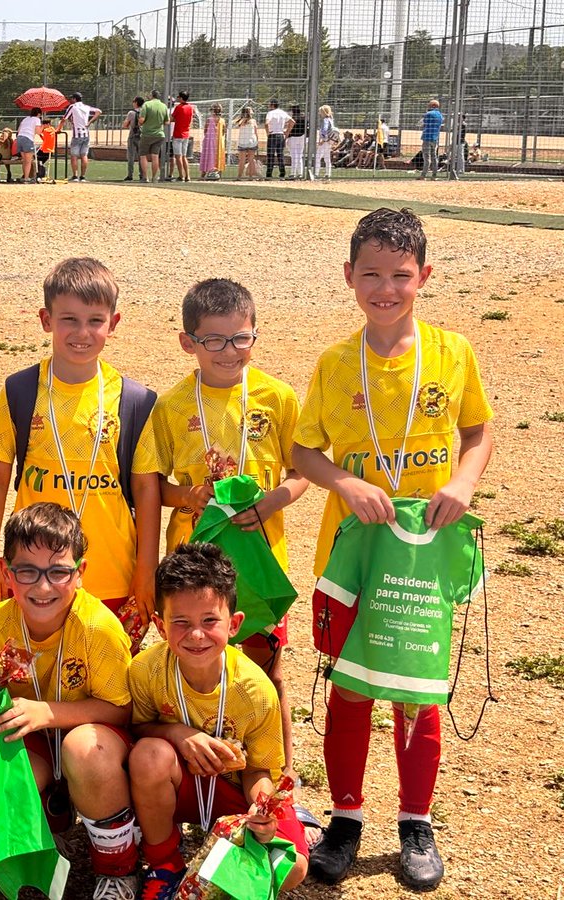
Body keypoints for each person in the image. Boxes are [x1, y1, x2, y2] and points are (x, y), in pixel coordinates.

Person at [292, 208, 493, 890]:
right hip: (354, 553)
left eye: (400, 276)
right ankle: (345, 817)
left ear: (424, 277)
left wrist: (465, 481)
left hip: (422, 554)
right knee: (349, 692)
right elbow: (302, 450)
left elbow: (478, 433)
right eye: (371, 274)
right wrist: (345, 481)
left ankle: (416, 820)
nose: (386, 288)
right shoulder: (333, 363)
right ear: (349, 277)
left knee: (416, 693)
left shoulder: (453, 353)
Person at [0, 503, 138, 900]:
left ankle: (117, 868)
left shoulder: (100, 629)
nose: (42, 587)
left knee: (85, 749)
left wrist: (49, 713)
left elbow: (122, 710)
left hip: (92, 738)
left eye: (59, 572)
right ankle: (12, 857)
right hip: (33, 740)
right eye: (27, 571)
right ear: (6, 572)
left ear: (81, 573)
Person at [150, 277, 308, 780]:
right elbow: (153, 483)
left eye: (241, 338)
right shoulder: (172, 405)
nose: (228, 351)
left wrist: (272, 503)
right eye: (213, 340)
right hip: (194, 564)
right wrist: (189, 496)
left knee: (267, 671)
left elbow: (302, 470)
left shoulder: (277, 398)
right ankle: (200, 775)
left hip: (260, 562)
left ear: (255, 337)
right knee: (197, 666)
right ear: (187, 342)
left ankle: (277, 781)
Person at [0, 257, 161, 629]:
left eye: (95, 320)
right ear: (46, 320)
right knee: (32, 675)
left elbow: (145, 489)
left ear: (114, 323)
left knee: (108, 682)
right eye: (69, 320)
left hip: (113, 573)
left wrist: (146, 571)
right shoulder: (20, 390)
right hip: (35, 572)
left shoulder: (135, 400)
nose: (82, 332)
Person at [128, 543, 309, 898]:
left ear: (235, 624)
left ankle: (232, 864)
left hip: (236, 795)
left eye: (210, 621)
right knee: (148, 755)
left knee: (294, 869)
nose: (196, 634)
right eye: (180, 622)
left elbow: (259, 770)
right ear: (160, 626)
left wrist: (261, 809)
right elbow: (136, 727)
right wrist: (178, 734)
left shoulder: (256, 690)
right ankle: (165, 863)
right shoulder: (145, 669)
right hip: (179, 786)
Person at [60, 91, 102, 182]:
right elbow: (99, 111)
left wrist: (59, 129)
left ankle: (75, 176)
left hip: (77, 134)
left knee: (74, 155)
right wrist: (90, 122)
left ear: (74, 99)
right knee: (84, 155)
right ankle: (82, 176)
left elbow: (64, 118)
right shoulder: (86, 107)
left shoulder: (73, 106)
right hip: (86, 134)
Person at [138, 90, 169, 183]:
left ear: (151, 95)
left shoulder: (147, 105)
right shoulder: (164, 106)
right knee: (155, 156)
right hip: (159, 134)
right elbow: (167, 121)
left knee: (143, 155)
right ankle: (154, 177)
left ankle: (145, 177)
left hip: (147, 134)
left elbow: (142, 120)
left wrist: (140, 122)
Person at [169, 91, 195, 183]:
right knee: (184, 156)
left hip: (178, 134)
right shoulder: (190, 107)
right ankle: (187, 176)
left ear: (181, 98)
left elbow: (171, 119)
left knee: (178, 156)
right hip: (186, 134)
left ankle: (181, 176)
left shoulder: (179, 107)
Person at [264, 99, 291, 179]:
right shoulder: (283, 113)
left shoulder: (270, 113)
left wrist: (268, 132)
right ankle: (282, 174)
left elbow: (266, 123)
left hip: (272, 135)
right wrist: (287, 132)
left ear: (272, 105)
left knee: (270, 156)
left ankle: (269, 175)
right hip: (280, 135)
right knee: (280, 155)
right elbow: (292, 121)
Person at [17, 107, 43, 183]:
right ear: (38, 114)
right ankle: (26, 178)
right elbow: (38, 132)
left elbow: (19, 130)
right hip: (28, 139)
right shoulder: (37, 119)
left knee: (24, 160)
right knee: (28, 161)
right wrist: (42, 127)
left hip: (19, 138)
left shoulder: (25, 119)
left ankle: (25, 176)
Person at [199, 103, 225, 180]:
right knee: (219, 156)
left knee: (207, 156)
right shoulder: (222, 120)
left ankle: (202, 175)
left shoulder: (209, 120)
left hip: (209, 142)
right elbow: (224, 132)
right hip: (219, 142)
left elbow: (205, 131)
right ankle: (219, 175)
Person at [419, 99, 443, 180]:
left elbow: (423, 124)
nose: (428, 106)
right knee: (434, 157)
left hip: (427, 137)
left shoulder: (428, 114)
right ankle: (434, 175)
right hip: (435, 138)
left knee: (426, 157)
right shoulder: (440, 115)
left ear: (433, 106)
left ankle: (423, 175)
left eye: (429, 105)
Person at [234, 106, 259, 180]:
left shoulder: (241, 120)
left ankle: (239, 176)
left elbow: (238, 124)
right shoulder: (253, 121)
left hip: (243, 142)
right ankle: (250, 177)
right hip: (252, 141)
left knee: (242, 160)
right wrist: (257, 141)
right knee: (251, 160)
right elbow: (255, 132)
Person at [123, 97, 144, 181]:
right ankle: (142, 175)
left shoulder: (131, 113)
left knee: (131, 156)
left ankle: (130, 175)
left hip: (132, 135)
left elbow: (125, 125)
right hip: (142, 136)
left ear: (136, 103)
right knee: (141, 156)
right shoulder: (144, 112)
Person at [314, 104, 336, 180]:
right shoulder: (331, 119)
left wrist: (322, 140)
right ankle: (327, 174)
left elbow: (325, 131)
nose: (320, 113)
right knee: (327, 158)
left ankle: (316, 174)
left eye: (320, 112)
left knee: (318, 157)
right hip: (329, 141)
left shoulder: (325, 120)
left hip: (325, 141)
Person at [285, 104, 306, 179]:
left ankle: (293, 173)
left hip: (293, 137)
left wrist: (285, 137)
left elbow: (290, 128)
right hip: (302, 137)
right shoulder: (304, 117)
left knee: (294, 156)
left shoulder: (293, 118)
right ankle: (300, 173)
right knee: (299, 156)